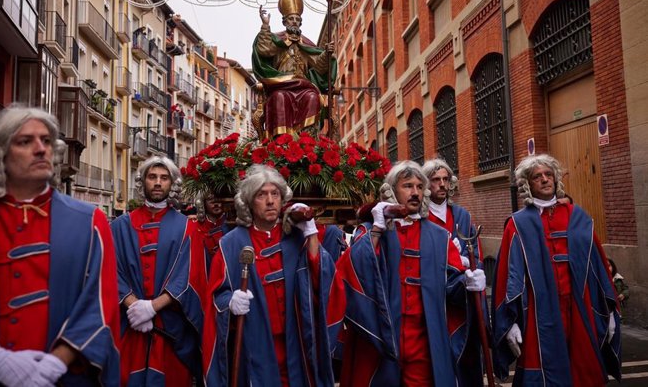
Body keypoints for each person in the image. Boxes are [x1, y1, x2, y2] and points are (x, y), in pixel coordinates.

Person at [0, 104, 120, 386]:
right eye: (25, 141)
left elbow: (101, 301)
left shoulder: (90, 221)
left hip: (63, 377)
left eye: (46, 140)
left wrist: (55, 363)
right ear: (0, 153)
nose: (41, 149)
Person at [336, 160, 486, 386]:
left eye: (419, 186)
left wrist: (467, 282)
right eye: (407, 186)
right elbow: (351, 270)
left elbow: (452, 288)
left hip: (424, 340)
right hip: (382, 337)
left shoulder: (438, 236)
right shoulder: (371, 231)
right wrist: (377, 229)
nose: (415, 192)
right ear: (392, 191)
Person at [202, 165, 345, 386]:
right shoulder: (231, 244)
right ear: (249, 201)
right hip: (255, 347)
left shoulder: (298, 237)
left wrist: (311, 234)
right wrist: (229, 302)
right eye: (262, 194)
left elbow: (324, 281)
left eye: (275, 194)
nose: (270, 201)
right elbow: (214, 298)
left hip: (297, 344)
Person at [491, 154, 621, 386]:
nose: (544, 179)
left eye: (548, 174)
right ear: (527, 184)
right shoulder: (518, 223)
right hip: (539, 311)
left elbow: (598, 267)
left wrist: (609, 309)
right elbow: (507, 276)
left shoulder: (578, 216)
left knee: (582, 368)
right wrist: (509, 322)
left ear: (556, 179)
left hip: (580, 305)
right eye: (537, 176)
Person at [112, 157, 203, 386]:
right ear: (142, 181)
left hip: (170, 333)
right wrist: (134, 306)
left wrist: (152, 307)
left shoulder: (187, 228)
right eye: (152, 177)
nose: (158, 183)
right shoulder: (119, 226)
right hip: (129, 326)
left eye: (164, 178)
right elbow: (109, 269)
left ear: (172, 184)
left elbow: (190, 274)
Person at [423, 158, 484, 386]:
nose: (441, 184)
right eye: (436, 180)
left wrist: (467, 263)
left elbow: (475, 253)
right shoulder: (421, 217)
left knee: (464, 355)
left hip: (461, 301)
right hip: (433, 298)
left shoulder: (462, 215)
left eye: (445, 179)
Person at [251, 0, 337, 137]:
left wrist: (327, 53)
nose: (295, 22)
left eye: (297, 19)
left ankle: (307, 139)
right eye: (291, 19)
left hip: (303, 86)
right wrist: (265, 26)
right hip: (281, 85)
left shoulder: (306, 44)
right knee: (279, 97)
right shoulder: (277, 40)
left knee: (312, 97)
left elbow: (319, 66)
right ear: (285, 21)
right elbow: (264, 49)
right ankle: (281, 140)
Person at [187, 191, 230, 306]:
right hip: (204, 284)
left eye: (219, 199)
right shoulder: (194, 226)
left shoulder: (233, 224)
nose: (216, 203)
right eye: (211, 200)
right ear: (203, 203)